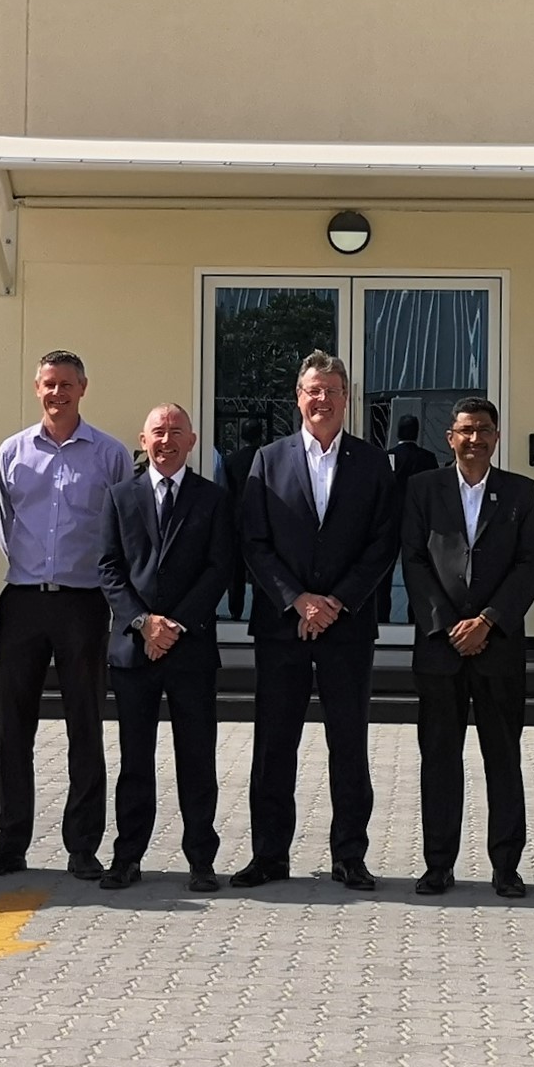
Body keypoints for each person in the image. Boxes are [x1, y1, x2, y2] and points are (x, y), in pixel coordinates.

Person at [232, 351, 400, 890]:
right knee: (273, 744)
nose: (321, 400)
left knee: (347, 742)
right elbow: (254, 542)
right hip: (282, 627)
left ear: (346, 398)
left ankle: (350, 854)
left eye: (331, 390)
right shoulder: (268, 459)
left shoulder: (374, 464)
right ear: (298, 398)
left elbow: (383, 543)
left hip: (347, 629)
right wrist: (298, 599)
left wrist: (335, 602)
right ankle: (269, 855)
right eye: (312, 390)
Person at [0, 349, 134, 880]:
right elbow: (5, 524)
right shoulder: (12, 452)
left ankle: (83, 844)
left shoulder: (109, 455)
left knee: (85, 723)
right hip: (23, 599)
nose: (57, 393)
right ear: (36, 387)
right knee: (12, 725)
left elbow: (118, 532)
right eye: (48, 384)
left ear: (83, 389)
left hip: (84, 603)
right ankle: (8, 841)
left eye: (66, 384)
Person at [399, 394, 534, 897]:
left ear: (496, 436)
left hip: (498, 646)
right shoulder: (422, 488)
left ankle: (506, 866)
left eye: (484, 429)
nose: (475, 438)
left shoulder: (521, 492)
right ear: (450, 437)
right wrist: (446, 624)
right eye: (466, 430)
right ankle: (439, 864)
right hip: (440, 649)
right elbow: (413, 560)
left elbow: (529, 565)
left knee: (502, 757)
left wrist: (488, 620)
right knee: (439, 758)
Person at [97, 403, 236, 891]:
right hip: (134, 651)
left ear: (193, 441)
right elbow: (109, 568)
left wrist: (173, 624)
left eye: (177, 431)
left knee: (196, 758)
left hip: (191, 648)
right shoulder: (119, 497)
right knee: (135, 760)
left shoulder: (214, 498)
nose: (167, 439)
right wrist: (143, 623)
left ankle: (201, 857)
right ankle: (128, 856)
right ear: (143, 438)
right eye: (158, 431)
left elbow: (220, 567)